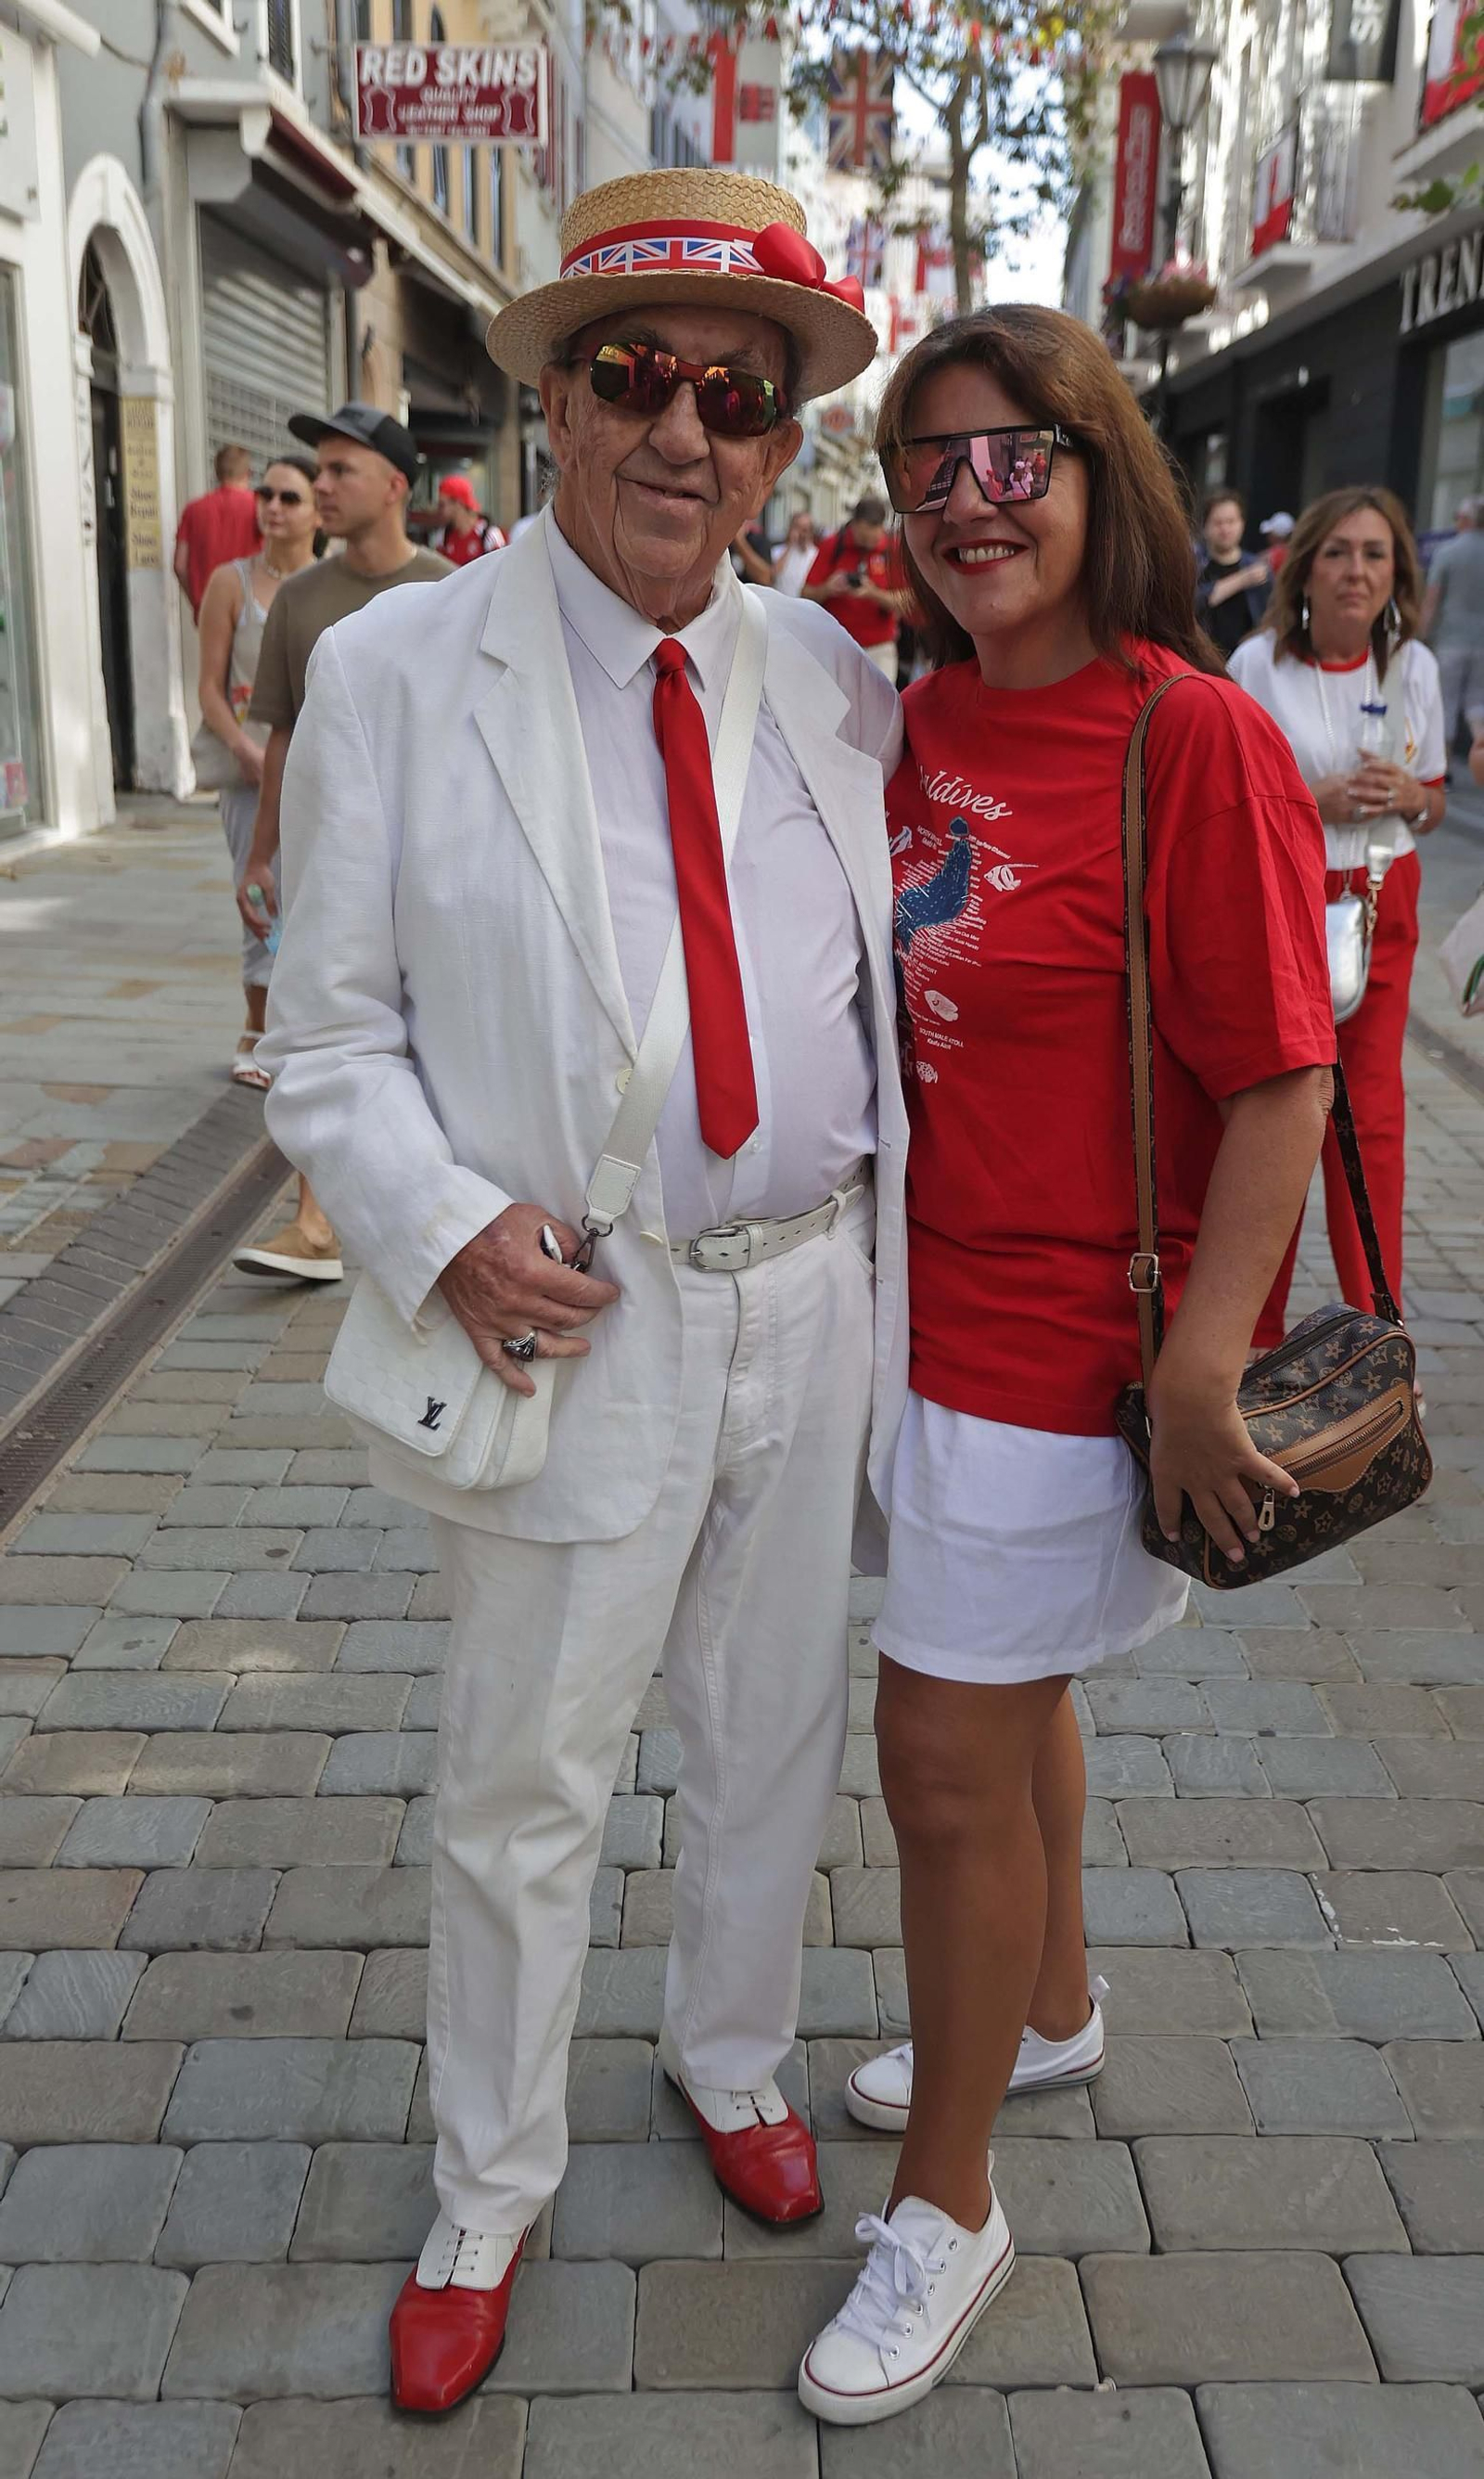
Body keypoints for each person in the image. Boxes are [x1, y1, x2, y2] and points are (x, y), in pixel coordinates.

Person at [255, 167, 906, 2418]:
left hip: (806, 1297)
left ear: (780, 439)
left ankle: (729, 2050)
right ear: (551, 397)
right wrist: (438, 1223)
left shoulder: (831, 675)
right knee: (526, 1770)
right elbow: (322, 1035)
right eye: (636, 375)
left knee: (771, 1728)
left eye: (736, 397)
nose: (682, 433)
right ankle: (488, 2176)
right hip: (570, 1316)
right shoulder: (397, 671)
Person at [798, 305, 1335, 2427]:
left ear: (1102, 471)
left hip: (1068, 1342)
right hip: (908, 1323)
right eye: (925, 468)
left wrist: (1203, 1359)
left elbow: (1280, 1075)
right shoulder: (910, 720)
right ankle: (1047, 2001)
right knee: (1007, 1706)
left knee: (937, 1755)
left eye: (1010, 457)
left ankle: (948, 2200)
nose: (966, 504)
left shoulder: (1183, 734)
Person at [233, 403, 452, 1284]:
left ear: (395, 486)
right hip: (330, 856)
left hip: (433, 852)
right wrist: (262, 855)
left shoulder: (450, 590)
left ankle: (435, 1204)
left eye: (338, 471)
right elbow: (282, 736)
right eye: (314, 471)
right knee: (324, 1020)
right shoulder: (300, 599)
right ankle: (315, 1222)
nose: (319, 486)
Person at [1230, 490, 1445, 1337]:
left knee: (1372, 1121)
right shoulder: (1257, 666)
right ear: (1304, 567)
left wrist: (1412, 796)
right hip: (1284, 902)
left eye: (1375, 554)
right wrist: (1310, 799)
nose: (1357, 570)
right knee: (1278, 1117)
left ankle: (1376, 1339)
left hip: (1383, 897)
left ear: (1397, 574)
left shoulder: (1413, 666)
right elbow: (1227, 804)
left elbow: (1435, 803)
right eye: (1339, 552)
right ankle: (1250, 1340)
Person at [194, 452, 320, 1088]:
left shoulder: (330, 586)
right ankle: (256, 1025)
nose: (272, 507)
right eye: (266, 494)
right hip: (250, 775)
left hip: (321, 774)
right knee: (259, 897)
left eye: (289, 498)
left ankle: (304, 1028)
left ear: (318, 511)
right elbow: (209, 687)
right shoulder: (231, 583)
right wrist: (245, 749)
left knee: (319, 902)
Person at [804, 494, 905, 677]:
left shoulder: (892, 550)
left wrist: (873, 593)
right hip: (836, 646)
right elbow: (805, 594)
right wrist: (827, 588)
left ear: (881, 528)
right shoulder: (832, 546)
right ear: (854, 525)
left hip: (879, 648)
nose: (868, 544)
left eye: (872, 539)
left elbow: (907, 602)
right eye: (863, 538)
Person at [1421, 495, 1484, 752]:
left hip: (1450, 639)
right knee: (1477, 703)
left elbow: (1432, 599)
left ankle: (1443, 762)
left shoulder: (1447, 552)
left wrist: (1423, 635)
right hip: (1482, 642)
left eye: (1457, 518)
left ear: (1466, 520)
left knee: (1445, 701)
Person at [173, 444, 260, 624]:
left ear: (216, 473)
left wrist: (198, 604)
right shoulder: (258, 507)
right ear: (248, 473)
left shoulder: (193, 510)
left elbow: (180, 566)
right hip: (250, 612)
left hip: (208, 614)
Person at [1193, 488, 1269, 660]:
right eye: (1218, 523)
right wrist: (1242, 580)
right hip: (1202, 658)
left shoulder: (1259, 569)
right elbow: (1193, 601)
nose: (1225, 529)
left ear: (1242, 524)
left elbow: (1271, 616)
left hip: (1245, 660)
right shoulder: (1194, 564)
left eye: (1231, 521)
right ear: (1205, 526)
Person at [429, 471, 506, 565]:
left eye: (442, 505)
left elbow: (501, 568)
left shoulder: (489, 534)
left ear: (458, 503)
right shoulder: (443, 536)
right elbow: (438, 570)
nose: (438, 510)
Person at [773, 507, 817, 596]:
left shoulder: (816, 554)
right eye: (797, 528)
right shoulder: (777, 551)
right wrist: (790, 545)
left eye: (805, 529)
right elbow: (773, 575)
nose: (801, 533)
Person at [1260, 508, 1295, 573]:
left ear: (1275, 535)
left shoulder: (1268, 556)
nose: (1267, 536)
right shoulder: (1296, 553)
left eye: (1270, 533)